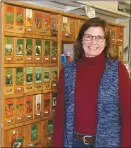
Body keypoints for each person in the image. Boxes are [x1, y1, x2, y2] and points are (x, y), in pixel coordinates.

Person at [53, 17, 131, 147]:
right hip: (74, 143)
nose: (93, 42)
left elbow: (128, 114)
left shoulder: (118, 70)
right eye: (88, 36)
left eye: (99, 37)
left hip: (109, 143)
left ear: (105, 42)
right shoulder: (67, 71)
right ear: (81, 39)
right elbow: (60, 114)